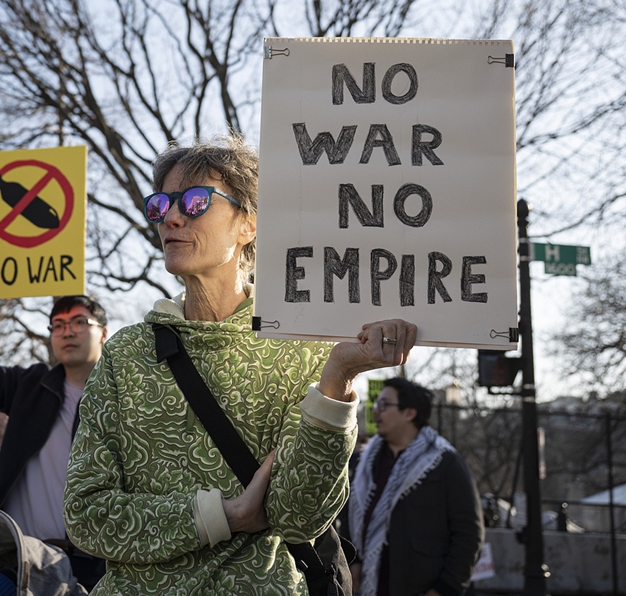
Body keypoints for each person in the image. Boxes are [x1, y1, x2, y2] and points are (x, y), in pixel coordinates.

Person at [63, 136, 418, 594]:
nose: (170, 217)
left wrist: (336, 381)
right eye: (161, 205)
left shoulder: (301, 348)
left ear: (247, 225)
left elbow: (299, 517)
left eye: (194, 202)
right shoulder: (125, 354)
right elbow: (85, 516)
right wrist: (225, 515)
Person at [0, 248, 108, 589]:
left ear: (103, 333)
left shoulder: (122, 398)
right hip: (20, 563)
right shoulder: (29, 386)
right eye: (58, 325)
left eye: (79, 322)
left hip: (94, 568)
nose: (67, 332)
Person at [343, 378, 483, 596]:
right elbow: (351, 514)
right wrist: (354, 561)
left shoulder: (444, 463)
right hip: (371, 586)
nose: (376, 411)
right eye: (375, 404)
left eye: (384, 405)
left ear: (410, 413)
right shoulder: (367, 461)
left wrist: (445, 588)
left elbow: (468, 533)